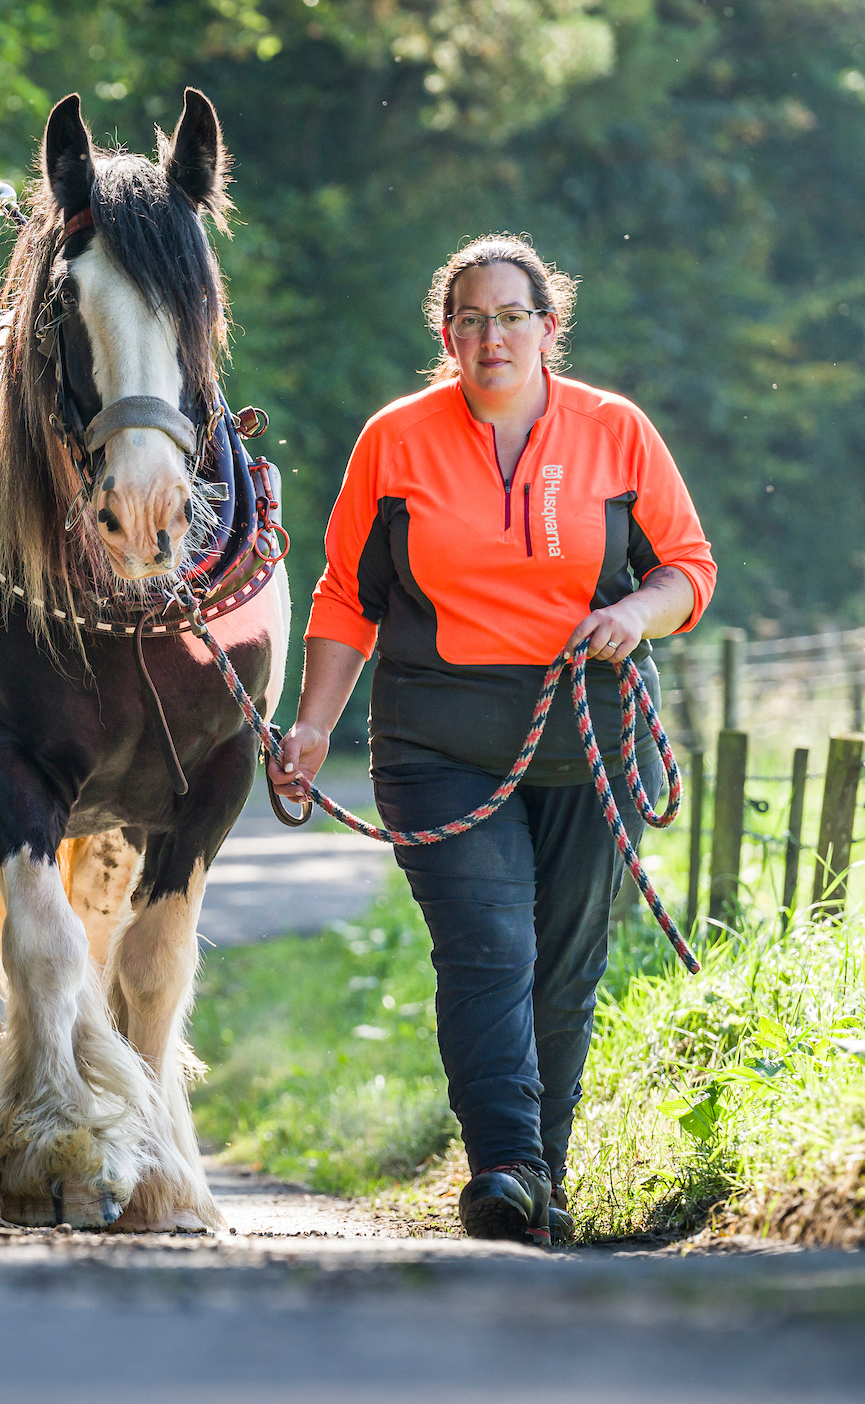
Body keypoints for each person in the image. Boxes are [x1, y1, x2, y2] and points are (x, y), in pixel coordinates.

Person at [272, 234, 716, 1245]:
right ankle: (504, 1167)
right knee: (486, 947)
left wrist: (636, 615)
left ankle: (543, 1178)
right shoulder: (395, 441)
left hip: (591, 738)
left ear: (549, 328)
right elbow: (349, 595)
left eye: (511, 316)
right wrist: (310, 726)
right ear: (447, 334)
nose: (491, 337)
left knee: (564, 963)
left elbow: (688, 565)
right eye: (470, 319)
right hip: (438, 741)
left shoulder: (616, 431)